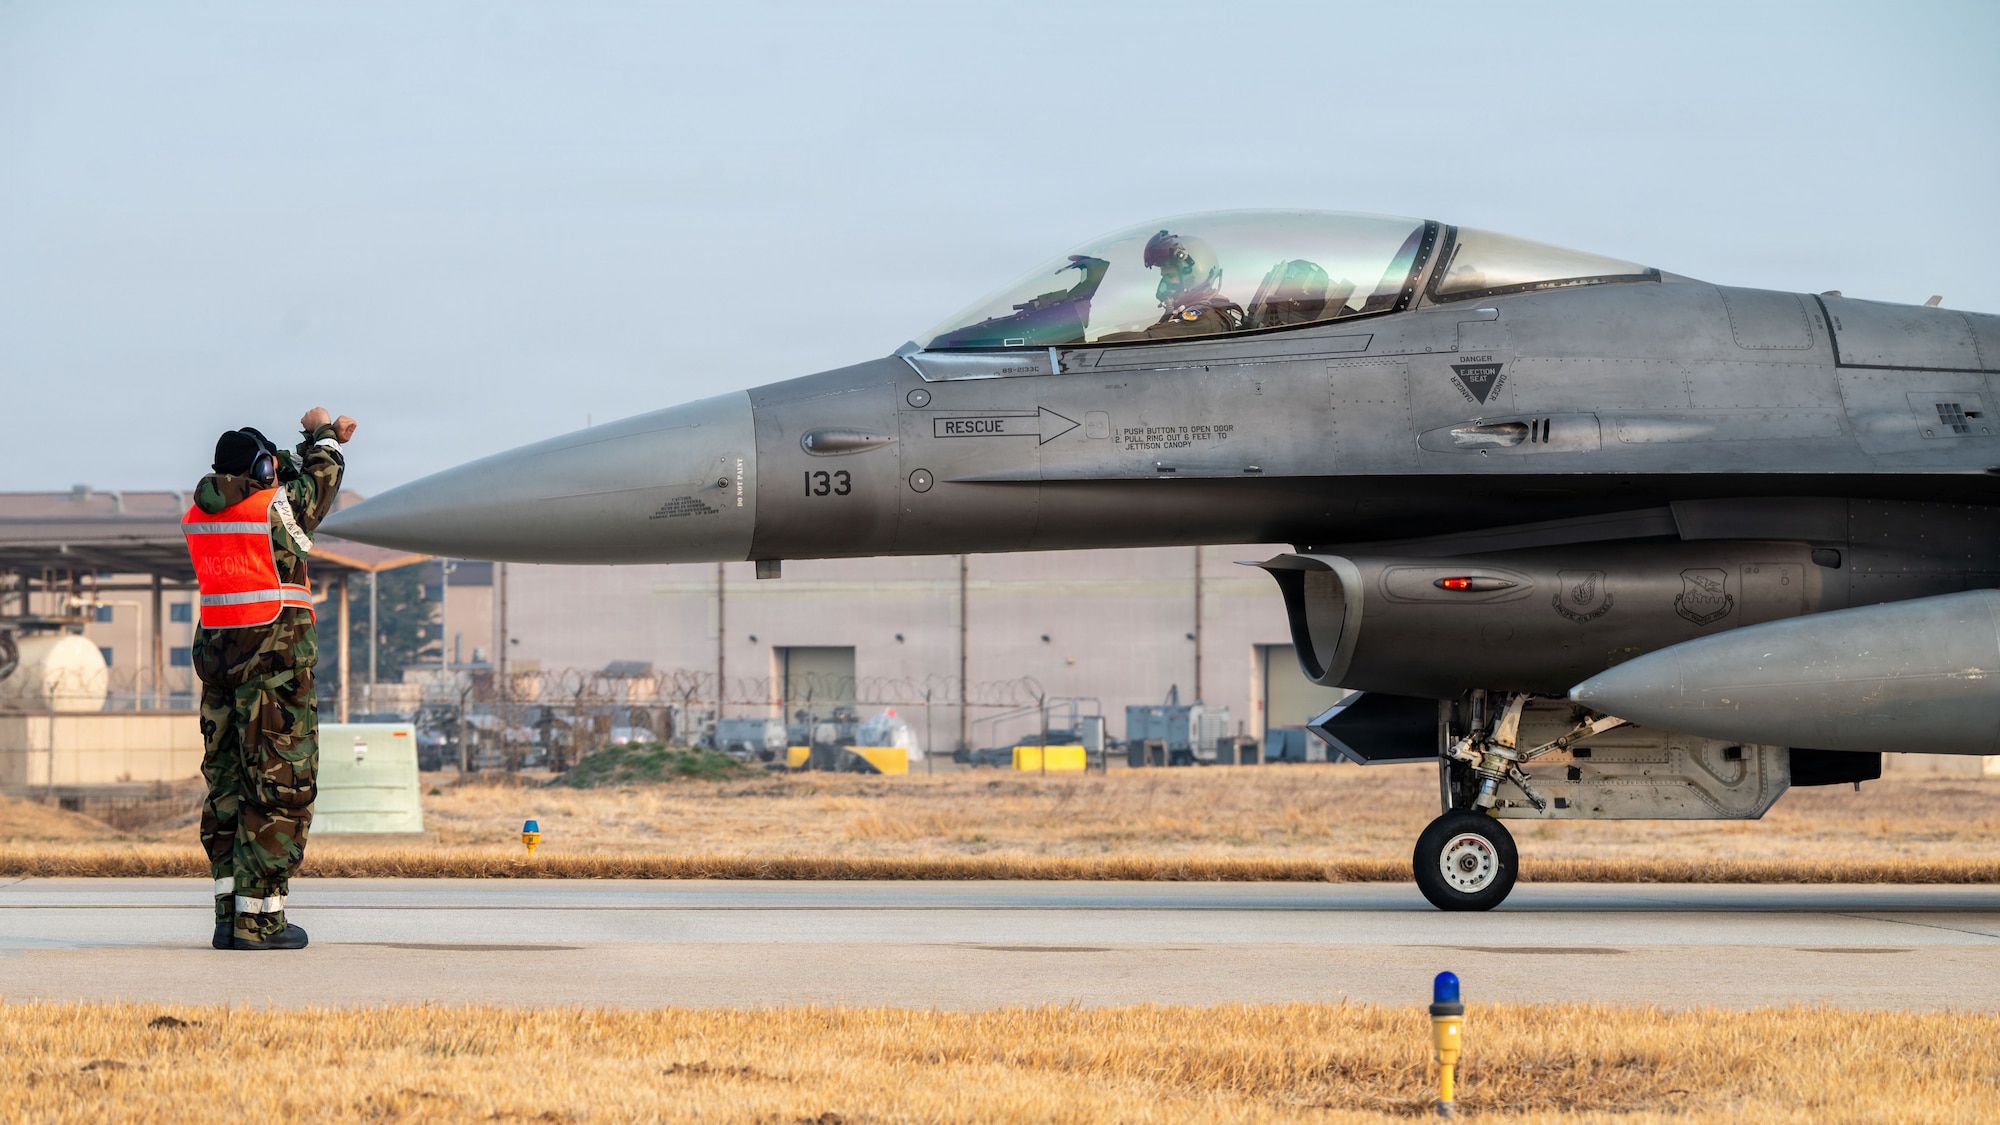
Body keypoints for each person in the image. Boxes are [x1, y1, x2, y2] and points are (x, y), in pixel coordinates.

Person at [183, 406, 356, 950]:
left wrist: (290, 452)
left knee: (228, 792)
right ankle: (261, 922)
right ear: (260, 470)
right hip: (274, 674)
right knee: (281, 790)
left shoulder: (203, 514)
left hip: (221, 671)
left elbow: (286, 479)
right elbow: (322, 480)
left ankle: (229, 918)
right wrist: (323, 434)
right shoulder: (272, 511)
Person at [1102, 230, 1245, 341]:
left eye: (1170, 276)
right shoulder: (1188, 312)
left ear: (1195, 274)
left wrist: (1095, 344)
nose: (1165, 285)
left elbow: (1148, 340)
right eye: (1163, 277)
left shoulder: (1204, 320)